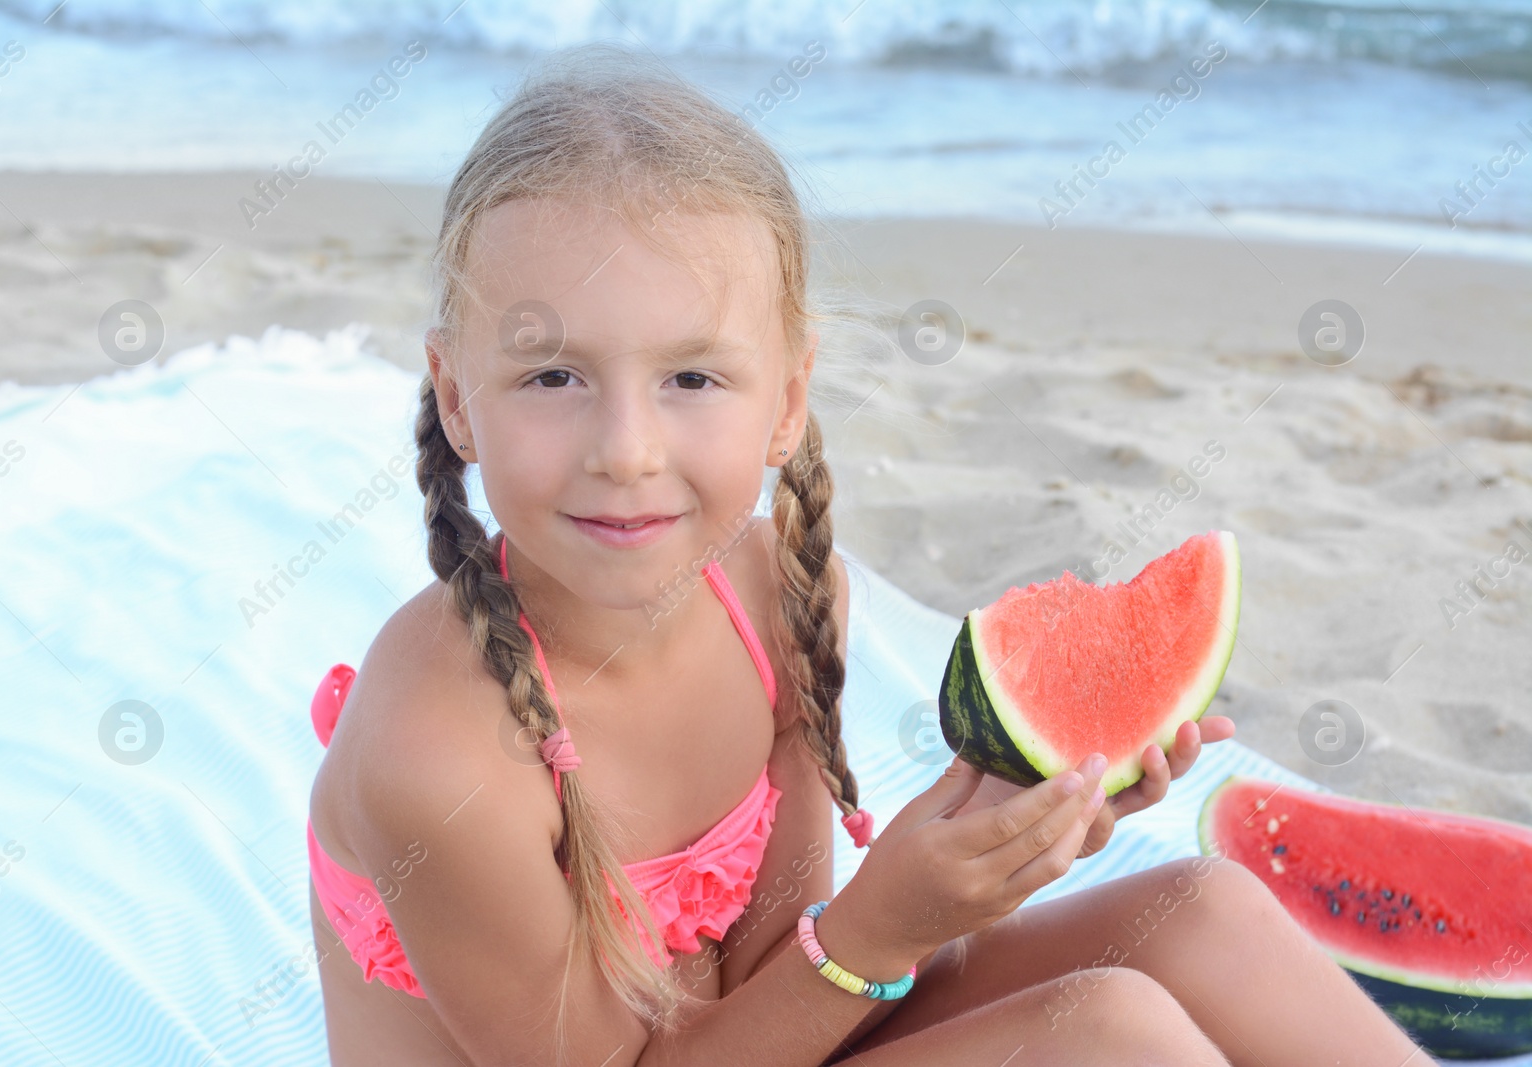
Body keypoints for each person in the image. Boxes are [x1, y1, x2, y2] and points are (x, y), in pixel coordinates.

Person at [304, 42, 1437, 1067]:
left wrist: (995, 815)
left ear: (786, 399)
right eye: (554, 376)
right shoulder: (437, 754)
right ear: (457, 397)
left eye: (691, 377)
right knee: (1103, 1032)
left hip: (747, 1041)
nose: (626, 450)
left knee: (1200, 911)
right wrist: (883, 925)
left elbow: (771, 975)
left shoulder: (776, 594)